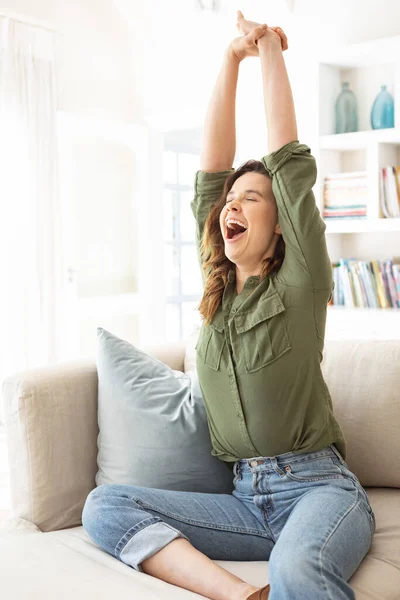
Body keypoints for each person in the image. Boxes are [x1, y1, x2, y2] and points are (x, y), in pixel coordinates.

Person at [82, 11, 375, 600]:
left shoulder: (299, 282)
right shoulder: (218, 291)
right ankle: (239, 595)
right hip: (244, 503)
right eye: (229, 201)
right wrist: (227, 58)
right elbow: (209, 174)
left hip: (318, 492)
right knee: (105, 505)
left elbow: (289, 160)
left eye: (252, 198)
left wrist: (266, 47)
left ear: (281, 223)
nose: (230, 206)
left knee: (298, 571)